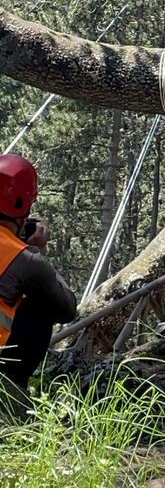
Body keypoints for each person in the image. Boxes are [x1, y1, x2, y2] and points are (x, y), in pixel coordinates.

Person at [0, 153, 77, 395]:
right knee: (40, 307)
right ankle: (11, 396)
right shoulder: (24, 260)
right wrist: (35, 250)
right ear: (24, 204)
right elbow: (66, 309)